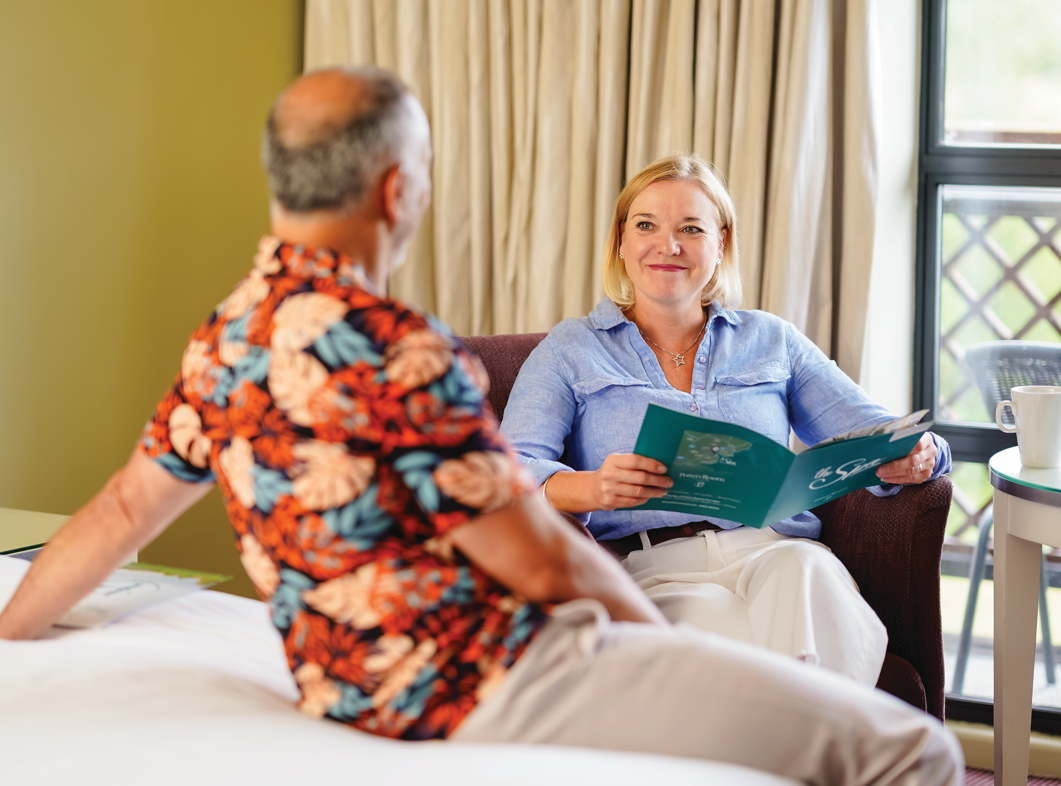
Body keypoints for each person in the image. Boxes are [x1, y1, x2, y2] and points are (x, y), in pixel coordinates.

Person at [0, 68, 962, 784]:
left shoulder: (225, 340)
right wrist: (650, 645)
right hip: (498, 675)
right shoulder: (401, 352)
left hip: (347, 686)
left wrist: (11, 630)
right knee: (914, 748)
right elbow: (543, 560)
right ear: (396, 191)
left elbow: (125, 506)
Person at [500, 153, 951, 687]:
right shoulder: (571, 349)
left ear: (721, 244)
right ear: (621, 241)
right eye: (646, 226)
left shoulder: (772, 340)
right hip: (655, 569)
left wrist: (921, 454)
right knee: (721, 625)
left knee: (808, 573)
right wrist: (593, 487)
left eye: (691, 229)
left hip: (775, 550)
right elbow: (507, 473)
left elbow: (881, 434)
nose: (668, 246)